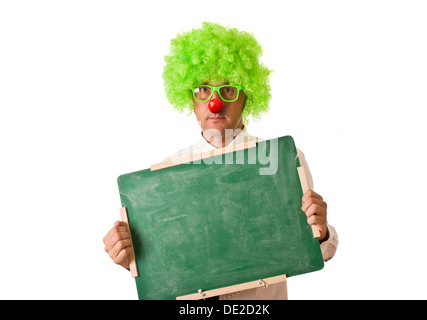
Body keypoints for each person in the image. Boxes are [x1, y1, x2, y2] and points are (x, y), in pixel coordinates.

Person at [103, 22, 338, 300]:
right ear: (190, 97)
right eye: (203, 89)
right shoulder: (165, 177)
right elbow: (161, 272)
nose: (214, 103)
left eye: (228, 89)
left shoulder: (281, 159)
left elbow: (317, 248)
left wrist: (321, 233)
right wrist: (129, 257)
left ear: (247, 95)